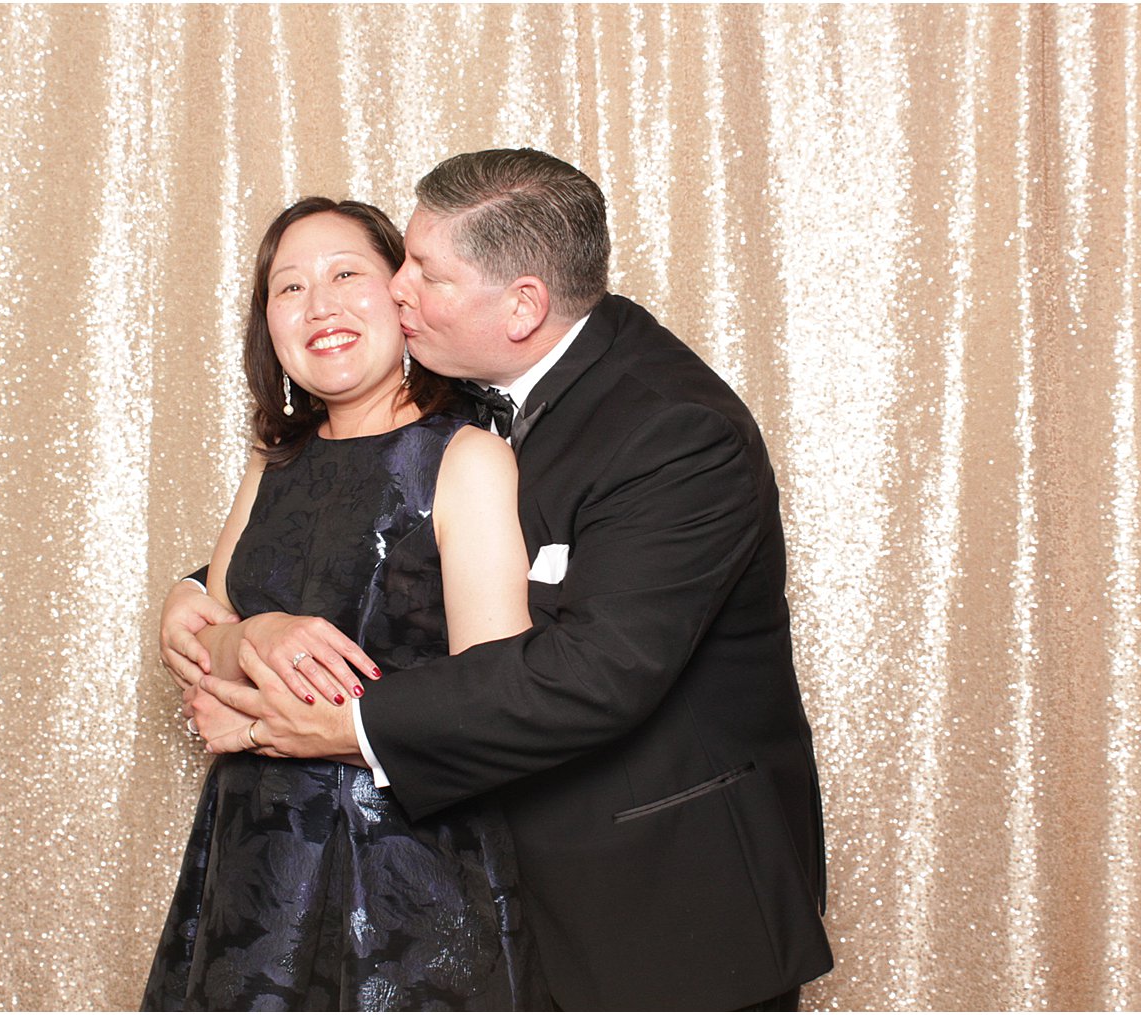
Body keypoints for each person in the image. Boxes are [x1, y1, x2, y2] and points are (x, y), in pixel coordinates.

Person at [166, 149, 834, 1010]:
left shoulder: (671, 430)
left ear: (523, 304)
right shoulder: (491, 387)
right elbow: (375, 529)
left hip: (659, 912)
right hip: (503, 892)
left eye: (424, 274)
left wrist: (331, 723)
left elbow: (590, 672)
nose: (395, 290)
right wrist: (212, 611)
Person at [142, 196, 548, 1010]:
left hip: (406, 874)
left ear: (402, 295)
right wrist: (253, 630)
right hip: (253, 869)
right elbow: (204, 642)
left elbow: (493, 706)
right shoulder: (275, 464)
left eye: (345, 274)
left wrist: (261, 710)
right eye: (289, 289)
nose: (318, 305)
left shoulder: (466, 461)